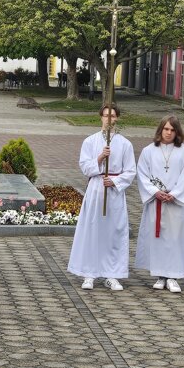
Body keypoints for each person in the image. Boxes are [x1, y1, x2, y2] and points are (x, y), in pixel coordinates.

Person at [67, 104, 136, 291]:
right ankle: (89, 273)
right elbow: (85, 167)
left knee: (113, 232)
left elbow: (130, 171)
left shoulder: (125, 144)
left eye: (112, 116)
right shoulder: (90, 141)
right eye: (105, 115)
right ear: (100, 118)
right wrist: (99, 158)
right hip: (96, 188)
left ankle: (112, 274)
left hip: (113, 191)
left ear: (117, 119)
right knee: (92, 230)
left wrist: (114, 182)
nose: (109, 119)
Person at [135, 116, 184, 293]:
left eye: (172, 130)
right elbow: (143, 174)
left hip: (175, 202)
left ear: (177, 132)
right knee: (157, 238)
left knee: (175, 239)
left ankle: (173, 276)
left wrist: (174, 194)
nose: (168, 133)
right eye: (166, 129)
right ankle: (160, 275)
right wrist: (155, 192)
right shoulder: (148, 151)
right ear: (160, 130)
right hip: (156, 201)